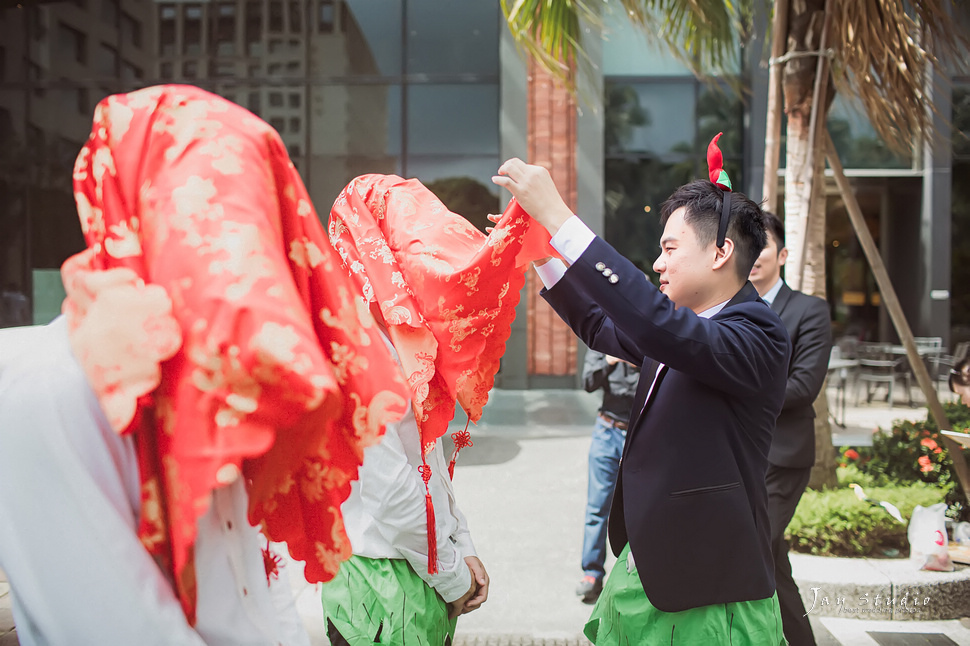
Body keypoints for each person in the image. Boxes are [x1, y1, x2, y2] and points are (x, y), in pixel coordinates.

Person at [0, 85, 415, 644]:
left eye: (251, 213)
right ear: (132, 210)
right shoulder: (46, 392)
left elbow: (262, 592)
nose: (232, 247)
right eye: (202, 207)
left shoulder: (222, 386)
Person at [491, 134, 791, 645]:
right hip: (651, 565)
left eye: (670, 249)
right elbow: (600, 325)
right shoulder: (684, 329)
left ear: (721, 252)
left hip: (709, 590)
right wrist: (542, 256)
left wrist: (560, 218)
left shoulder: (757, 333)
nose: (658, 263)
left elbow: (656, 325)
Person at [319, 173, 553, 644]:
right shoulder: (357, 351)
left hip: (412, 574)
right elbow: (391, 493)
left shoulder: (394, 341)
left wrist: (461, 545)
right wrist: (453, 575)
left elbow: (425, 465)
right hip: (378, 586)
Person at [749, 211, 832, 646]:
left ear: (781, 255)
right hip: (739, 456)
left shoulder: (809, 311)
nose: (754, 254)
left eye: (762, 244)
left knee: (754, 549)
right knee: (772, 560)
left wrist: (735, 384)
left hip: (782, 457)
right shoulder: (731, 309)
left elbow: (803, 387)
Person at [576, 350, 639, 603]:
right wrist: (611, 359)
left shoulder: (649, 338)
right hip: (607, 430)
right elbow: (588, 381)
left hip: (640, 434)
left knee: (639, 508)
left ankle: (635, 575)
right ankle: (592, 574)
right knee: (597, 506)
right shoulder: (606, 340)